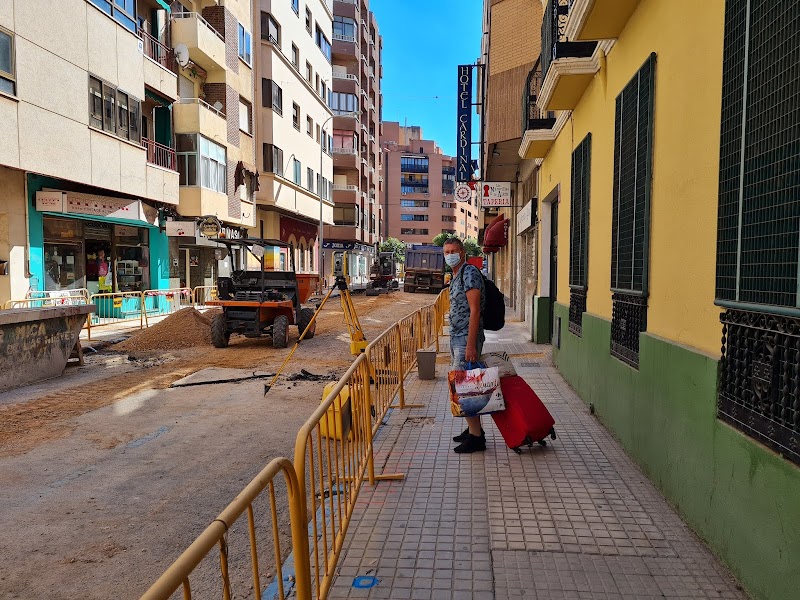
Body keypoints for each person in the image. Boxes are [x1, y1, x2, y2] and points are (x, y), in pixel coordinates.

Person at [444, 238, 486, 454]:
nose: (449, 254)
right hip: (457, 336)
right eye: (446, 251)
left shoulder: (469, 273)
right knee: (464, 385)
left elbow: (475, 310)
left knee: (465, 387)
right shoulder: (456, 275)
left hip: (465, 338)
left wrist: (470, 345)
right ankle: (473, 430)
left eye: (453, 251)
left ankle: (477, 438)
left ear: (462, 252)